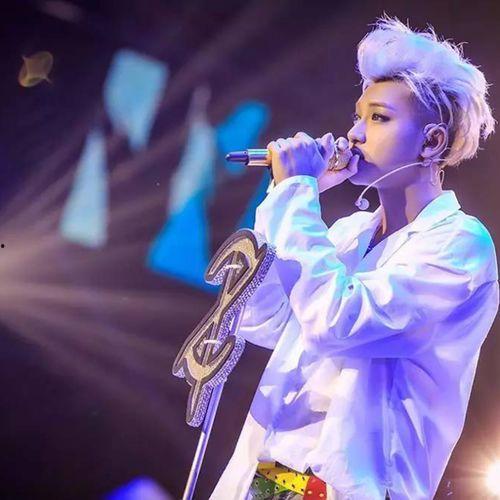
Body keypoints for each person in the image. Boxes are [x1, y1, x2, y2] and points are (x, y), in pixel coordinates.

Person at [210, 16, 498, 500]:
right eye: (357, 116)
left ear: (431, 141)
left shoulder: (460, 243)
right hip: (269, 481)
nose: (354, 133)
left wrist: (297, 196)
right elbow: (258, 318)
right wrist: (288, 196)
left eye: (378, 118)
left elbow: (338, 321)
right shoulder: (347, 234)